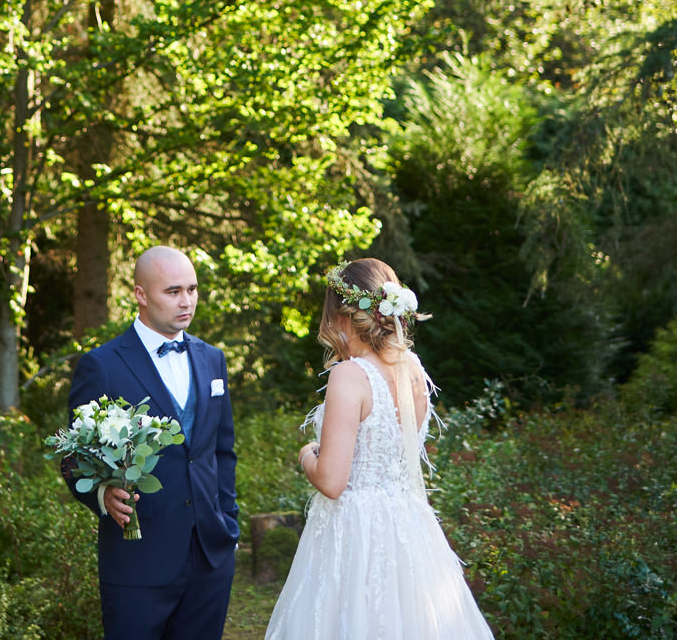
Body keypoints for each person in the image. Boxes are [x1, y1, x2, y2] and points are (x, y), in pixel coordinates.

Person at [264, 258, 495, 640]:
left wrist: (307, 453)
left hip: (354, 532)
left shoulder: (349, 375)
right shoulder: (413, 369)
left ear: (341, 315)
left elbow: (332, 482)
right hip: (407, 527)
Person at [64, 245, 241, 640]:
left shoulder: (213, 359)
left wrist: (229, 522)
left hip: (210, 557)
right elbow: (73, 457)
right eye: (173, 291)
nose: (187, 301)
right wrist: (102, 493)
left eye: (192, 289)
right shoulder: (103, 364)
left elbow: (222, 451)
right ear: (140, 295)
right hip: (138, 561)